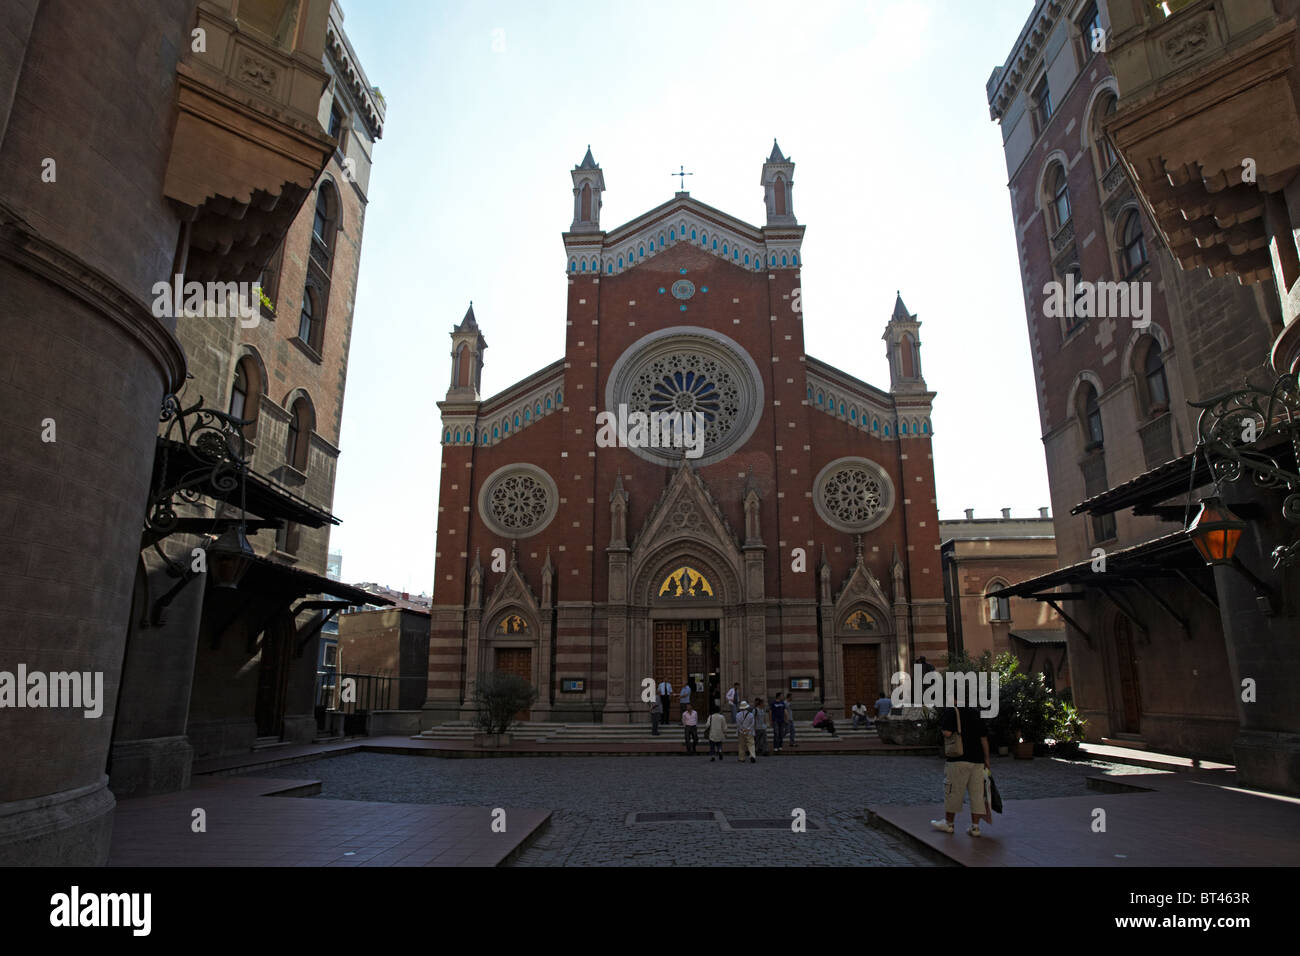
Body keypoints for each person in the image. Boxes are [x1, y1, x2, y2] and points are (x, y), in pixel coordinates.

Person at [930, 698, 991, 837]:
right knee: (977, 794)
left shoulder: (952, 711)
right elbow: (984, 738)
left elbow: (947, 733)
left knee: (953, 791)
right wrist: (987, 759)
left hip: (958, 757)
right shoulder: (976, 712)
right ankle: (975, 827)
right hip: (977, 758)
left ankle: (949, 823)